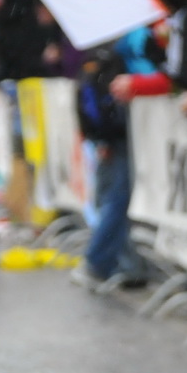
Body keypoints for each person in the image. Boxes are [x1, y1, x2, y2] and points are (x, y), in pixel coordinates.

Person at [73, 21, 166, 289]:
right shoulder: (131, 43)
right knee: (116, 199)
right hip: (124, 134)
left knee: (110, 199)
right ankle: (102, 262)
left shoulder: (101, 45)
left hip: (110, 135)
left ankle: (122, 264)